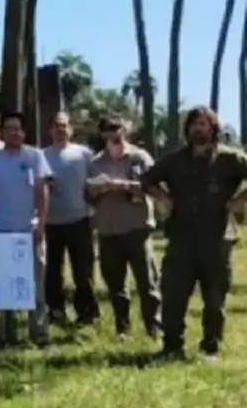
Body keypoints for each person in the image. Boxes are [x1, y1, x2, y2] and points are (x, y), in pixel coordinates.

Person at [141, 107, 247, 359]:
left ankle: (210, 347)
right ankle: (172, 346)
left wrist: (239, 200)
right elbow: (146, 180)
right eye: (194, 124)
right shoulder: (175, 160)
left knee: (214, 299)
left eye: (203, 124)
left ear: (213, 128)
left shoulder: (230, 158)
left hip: (218, 239)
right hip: (182, 239)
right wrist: (163, 197)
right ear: (187, 129)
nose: (198, 128)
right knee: (173, 295)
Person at [0, 111, 51, 347]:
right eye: (8, 128)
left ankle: (39, 333)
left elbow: (42, 191)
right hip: (0, 229)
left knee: (36, 283)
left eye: (17, 128)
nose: (13, 132)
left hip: (29, 229)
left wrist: (40, 223)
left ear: (24, 132)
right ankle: (7, 334)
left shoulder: (35, 156)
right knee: (4, 284)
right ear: (1, 132)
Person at [87, 116, 161, 341]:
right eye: (108, 129)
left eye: (117, 128)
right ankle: (123, 329)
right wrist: (96, 190)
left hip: (137, 228)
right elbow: (88, 197)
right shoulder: (95, 163)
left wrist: (123, 185)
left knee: (147, 282)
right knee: (116, 284)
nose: (113, 133)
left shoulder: (139, 157)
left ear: (125, 130)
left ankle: (154, 327)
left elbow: (153, 187)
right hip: (108, 230)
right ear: (102, 134)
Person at [42, 112, 99, 326]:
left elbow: (95, 183)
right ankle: (56, 311)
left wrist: (95, 212)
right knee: (52, 272)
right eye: (56, 125)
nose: (60, 129)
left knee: (83, 271)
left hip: (80, 220)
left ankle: (87, 313)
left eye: (64, 125)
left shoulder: (84, 154)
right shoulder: (42, 156)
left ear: (71, 129)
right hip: (51, 222)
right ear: (50, 130)